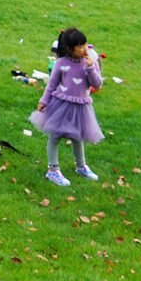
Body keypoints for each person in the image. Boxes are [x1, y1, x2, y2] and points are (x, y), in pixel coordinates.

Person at [32, 26, 104, 186]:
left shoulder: (89, 63)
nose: (85, 49)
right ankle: (53, 169)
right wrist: (44, 101)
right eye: (80, 46)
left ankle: (81, 166)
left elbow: (97, 83)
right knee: (55, 136)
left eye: (85, 44)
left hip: (81, 107)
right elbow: (52, 84)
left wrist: (91, 68)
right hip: (61, 105)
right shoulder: (61, 63)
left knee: (78, 137)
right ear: (70, 49)